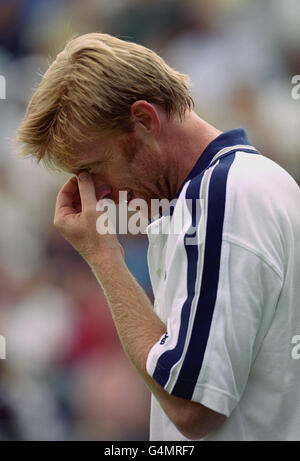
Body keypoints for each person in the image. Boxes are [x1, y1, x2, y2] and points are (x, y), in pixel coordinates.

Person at [16, 33, 300, 441]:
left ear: (145, 120)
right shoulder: (244, 186)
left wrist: (102, 256)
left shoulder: (220, 195)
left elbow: (191, 406)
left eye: (95, 168)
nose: (97, 195)